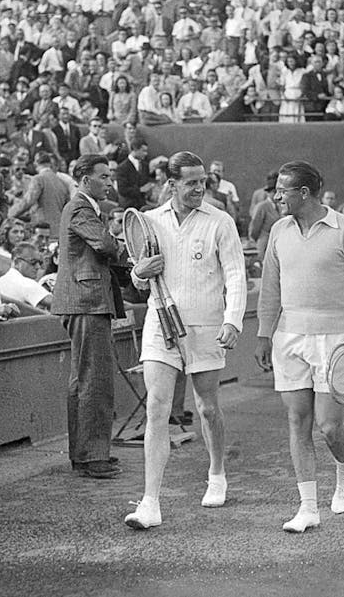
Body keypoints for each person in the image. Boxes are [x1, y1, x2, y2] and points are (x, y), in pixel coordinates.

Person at [254, 161, 344, 532]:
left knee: (328, 426)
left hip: (335, 339)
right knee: (298, 421)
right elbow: (270, 290)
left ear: (304, 193)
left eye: (283, 190)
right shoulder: (279, 230)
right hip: (289, 338)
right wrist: (265, 334)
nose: (276, 196)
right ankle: (307, 507)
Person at [124, 151, 247, 530]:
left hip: (206, 326)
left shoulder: (220, 221)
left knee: (207, 408)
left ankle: (217, 473)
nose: (199, 188)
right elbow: (138, 279)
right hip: (160, 326)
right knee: (157, 408)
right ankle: (150, 502)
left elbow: (236, 275)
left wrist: (233, 321)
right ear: (171, 184)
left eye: (203, 182)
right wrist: (138, 273)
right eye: (191, 182)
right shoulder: (150, 221)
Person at [52, 153, 126, 478]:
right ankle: (92, 457)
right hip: (87, 302)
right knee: (93, 380)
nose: (110, 182)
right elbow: (106, 246)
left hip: (85, 301)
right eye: (104, 176)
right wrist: (131, 248)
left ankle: (86, 454)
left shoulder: (83, 207)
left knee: (84, 379)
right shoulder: (81, 208)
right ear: (85, 180)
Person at [8, 151, 71, 237]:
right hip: (59, 229)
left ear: (35, 163)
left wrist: (9, 214)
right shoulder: (62, 182)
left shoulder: (38, 179)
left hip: (42, 228)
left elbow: (28, 201)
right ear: (50, 164)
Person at [0, 241, 53, 311]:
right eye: (33, 262)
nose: (38, 266)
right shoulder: (25, 283)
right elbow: (58, 303)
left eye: (40, 263)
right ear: (17, 263)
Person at [114, 137, 153, 209]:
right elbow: (122, 190)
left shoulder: (145, 165)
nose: (146, 154)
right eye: (143, 151)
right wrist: (140, 190)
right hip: (127, 206)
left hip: (143, 205)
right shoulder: (122, 168)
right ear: (135, 149)